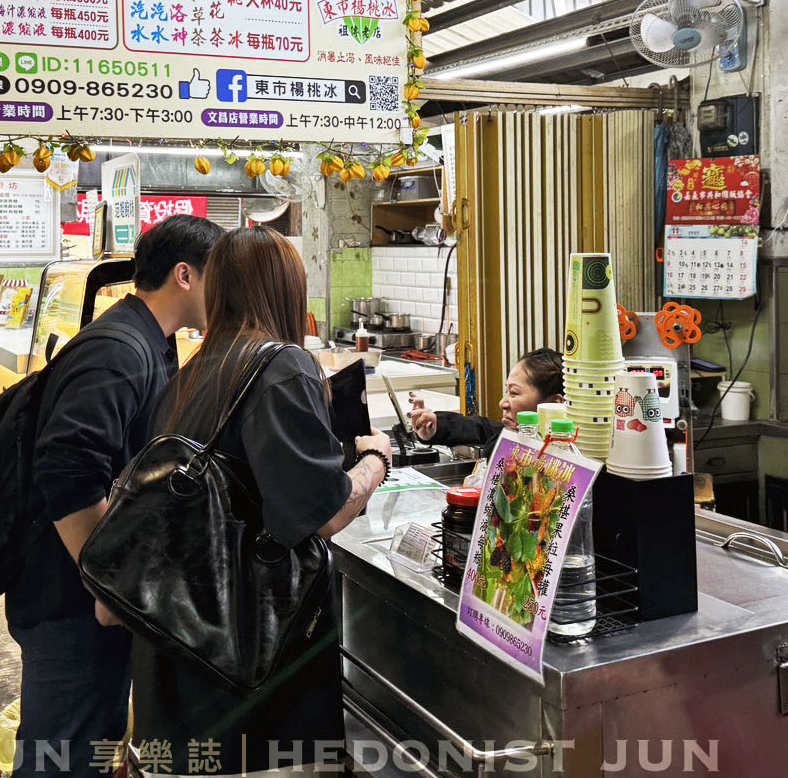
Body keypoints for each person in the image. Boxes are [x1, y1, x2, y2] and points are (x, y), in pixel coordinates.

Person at [117, 226, 392, 775]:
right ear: (285, 289)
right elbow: (323, 513)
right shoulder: (280, 365)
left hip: (179, 659)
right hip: (250, 673)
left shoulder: (190, 374)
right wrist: (374, 460)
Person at [5, 214, 223, 776]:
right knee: (63, 756)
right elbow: (68, 471)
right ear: (184, 276)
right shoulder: (120, 351)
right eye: (219, 275)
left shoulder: (148, 341)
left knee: (86, 746)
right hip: (69, 603)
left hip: (82, 599)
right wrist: (115, 583)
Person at [407, 348, 563, 455]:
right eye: (506, 391)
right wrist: (435, 426)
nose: (503, 403)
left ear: (554, 404)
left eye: (514, 393)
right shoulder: (511, 435)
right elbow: (484, 428)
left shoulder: (565, 458)